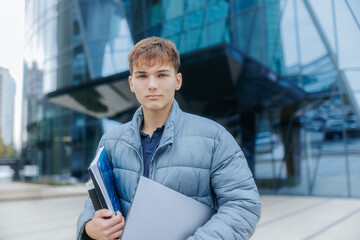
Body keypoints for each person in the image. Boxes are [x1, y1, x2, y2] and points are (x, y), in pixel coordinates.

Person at [77, 37, 261, 240]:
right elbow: (95, 201)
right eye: (142, 76)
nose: (152, 85)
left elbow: (243, 205)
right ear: (131, 83)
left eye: (162, 74)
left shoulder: (215, 138)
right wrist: (88, 228)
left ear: (178, 80)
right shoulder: (110, 142)